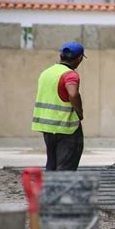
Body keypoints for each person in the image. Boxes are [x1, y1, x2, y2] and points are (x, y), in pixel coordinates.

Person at [31, 41, 85, 171]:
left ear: (61, 55)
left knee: (52, 164)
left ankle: (50, 190)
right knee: (66, 167)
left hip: (48, 127)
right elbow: (72, 93)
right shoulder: (70, 74)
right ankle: (61, 191)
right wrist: (79, 111)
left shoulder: (46, 73)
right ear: (80, 58)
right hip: (66, 127)